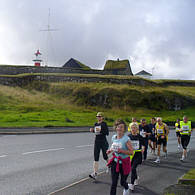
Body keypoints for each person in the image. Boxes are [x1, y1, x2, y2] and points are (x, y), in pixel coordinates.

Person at [107, 119, 133, 195]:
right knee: (114, 183)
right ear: (115, 127)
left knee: (122, 182)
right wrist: (110, 150)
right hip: (115, 162)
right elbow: (113, 147)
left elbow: (131, 152)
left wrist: (122, 151)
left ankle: (126, 187)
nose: (119, 129)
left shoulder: (126, 139)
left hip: (124, 163)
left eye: (121, 127)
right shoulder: (114, 137)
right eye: (118, 127)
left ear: (124, 129)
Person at [89, 112, 109, 180]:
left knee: (105, 156)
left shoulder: (104, 124)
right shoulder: (96, 124)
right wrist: (92, 130)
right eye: (97, 116)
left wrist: (101, 130)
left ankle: (110, 165)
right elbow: (96, 131)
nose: (98, 117)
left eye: (100, 116)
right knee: (96, 157)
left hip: (103, 142)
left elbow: (107, 133)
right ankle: (95, 173)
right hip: (97, 142)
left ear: (102, 117)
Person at [128, 122, 145, 191]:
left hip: (138, 155)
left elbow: (144, 144)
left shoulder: (139, 136)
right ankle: (136, 178)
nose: (133, 129)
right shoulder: (128, 137)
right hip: (131, 155)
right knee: (132, 169)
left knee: (133, 168)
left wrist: (143, 148)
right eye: (132, 127)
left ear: (137, 129)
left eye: (134, 127)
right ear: (130, 128)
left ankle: (132, 184)